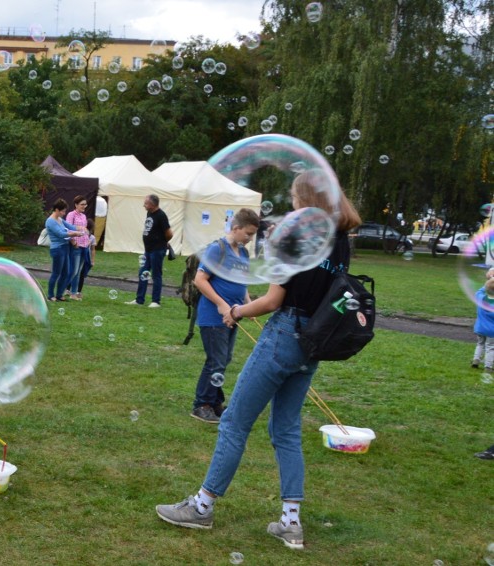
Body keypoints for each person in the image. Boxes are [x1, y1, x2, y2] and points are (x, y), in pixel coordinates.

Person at [155, 172, 362, 551]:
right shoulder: (340, 242)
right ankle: (291, 523)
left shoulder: (297, 237)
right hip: (312, 344)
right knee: (285, 430)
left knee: (233, 422)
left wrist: (235, 309)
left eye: (295, 198)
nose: (293, 206)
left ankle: (202, 507)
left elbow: (271, 302)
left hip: (284, 335)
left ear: (307, 199)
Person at [191, 208, 260, 424]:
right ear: (235, 228)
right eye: (247, 234)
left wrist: (250, 307)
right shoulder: (217, 249)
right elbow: (199, 280)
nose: (249, 239)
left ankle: (214, 402)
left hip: (234, 315)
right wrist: (221, 305)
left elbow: (241, 282)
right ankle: (201, 405)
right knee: (216, 361)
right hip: (215, 316)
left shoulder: (244, 253)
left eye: (253, 235)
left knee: (224, 359)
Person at [125, 194, 172, 308]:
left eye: (146, 203)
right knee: (143, 273)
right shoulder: (149, 213)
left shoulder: (161, 215)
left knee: (156, 275)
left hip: (157, 250)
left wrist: (161, 242)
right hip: (148, 250)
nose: (144, 205)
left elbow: (169, 233)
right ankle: (139, 299)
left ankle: (156, 301)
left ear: (152, 204)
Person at [45, 199, 85, 302]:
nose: (64, 213)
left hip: (65, 248)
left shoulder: (60, 219)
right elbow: (61, 234)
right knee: (56, 273)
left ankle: (59, 294)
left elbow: (70, 226)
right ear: (57, 210)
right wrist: (75, 234)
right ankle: (50, 295)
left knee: (66, 273)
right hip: (57, 249)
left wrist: (80, 228)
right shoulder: (50, 221)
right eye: (62, 211)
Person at [66, 196, 91, 300]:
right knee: (74, 271)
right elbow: (67, 230)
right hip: (76, 246)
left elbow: (84, 230)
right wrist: (73, 242)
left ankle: (73, 292)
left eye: (85, 204)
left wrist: (88, 239)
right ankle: (65, 290)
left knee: (79, 271)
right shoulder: (71, 215)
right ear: (76, 204)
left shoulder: (84, 216)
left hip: (84, 246)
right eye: (82, 204)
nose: (84, 206)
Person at [472, 277, 494, 371]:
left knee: (480, 344)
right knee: (490, 347)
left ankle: (475, 360)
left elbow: (479, 290)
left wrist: (491, 280)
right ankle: (488, 366)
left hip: (480, 328)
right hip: (491, 331)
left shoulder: (480, 298)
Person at [77, 220, 96, 295]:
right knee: (75, 272)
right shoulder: (80, 234)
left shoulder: (92, 237)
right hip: (79, 254)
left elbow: (93, 249)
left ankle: (78, 291)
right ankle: (69, 289)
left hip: (86, 256)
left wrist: (92, 260)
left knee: (81, 273)